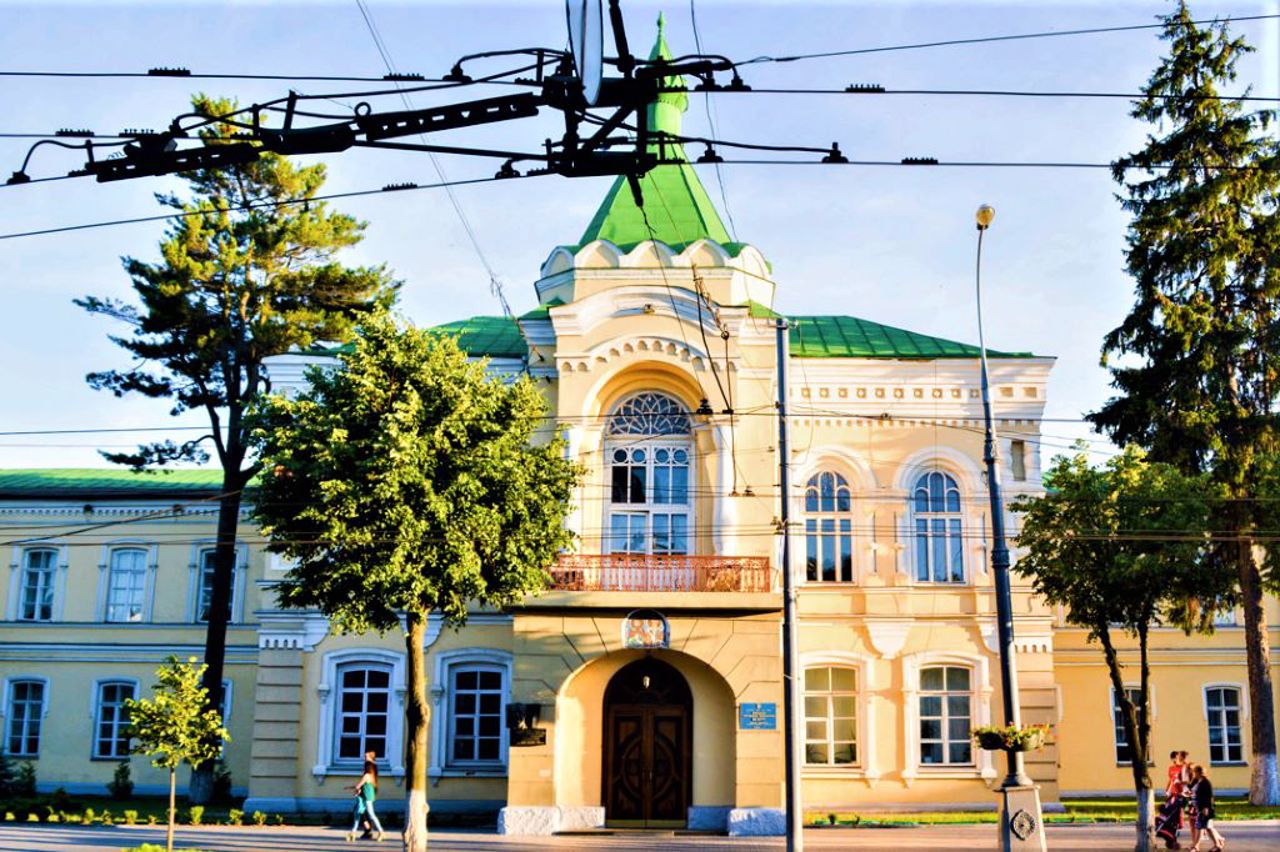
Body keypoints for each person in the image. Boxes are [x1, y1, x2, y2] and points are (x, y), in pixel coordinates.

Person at [1188, 763, 1225, 852]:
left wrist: (1206, 808)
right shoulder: (1198, 781)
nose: (1193, 774)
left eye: (1194, 772)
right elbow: (1192, 789)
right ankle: (1217, 845)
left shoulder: (1205, 783)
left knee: (1200, 827)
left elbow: (1208, 796)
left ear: (1199, 772)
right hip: (1199, 807)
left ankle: (1196, 847)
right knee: (1208, 827)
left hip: (1204, 809)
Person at [347, 759, 384, 842]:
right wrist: (356, 789)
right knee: (358, 813)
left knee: (370, 815)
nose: (363, 767)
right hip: (365, 797)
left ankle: (381, 832)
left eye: (364, 766)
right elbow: (363, 786)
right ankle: (353, 832)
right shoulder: (371, 775)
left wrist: (352, 789)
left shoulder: (367, 775)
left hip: (366, 798)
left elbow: (359, 785)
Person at [1156, 750, 1186, 849]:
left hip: (1180, 794)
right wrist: (1167, 790)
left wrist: (1183, 792)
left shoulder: (1183, 768)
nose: (1174, 760)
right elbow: (1171, 780)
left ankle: (1173, 838)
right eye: (1172, 758)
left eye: (1175, 758)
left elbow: (1185, 781)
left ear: (1179, 758)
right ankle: (1170, 836)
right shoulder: (1171, 768)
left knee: (1176, 816)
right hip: (1172, 795)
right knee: (1167, 814)